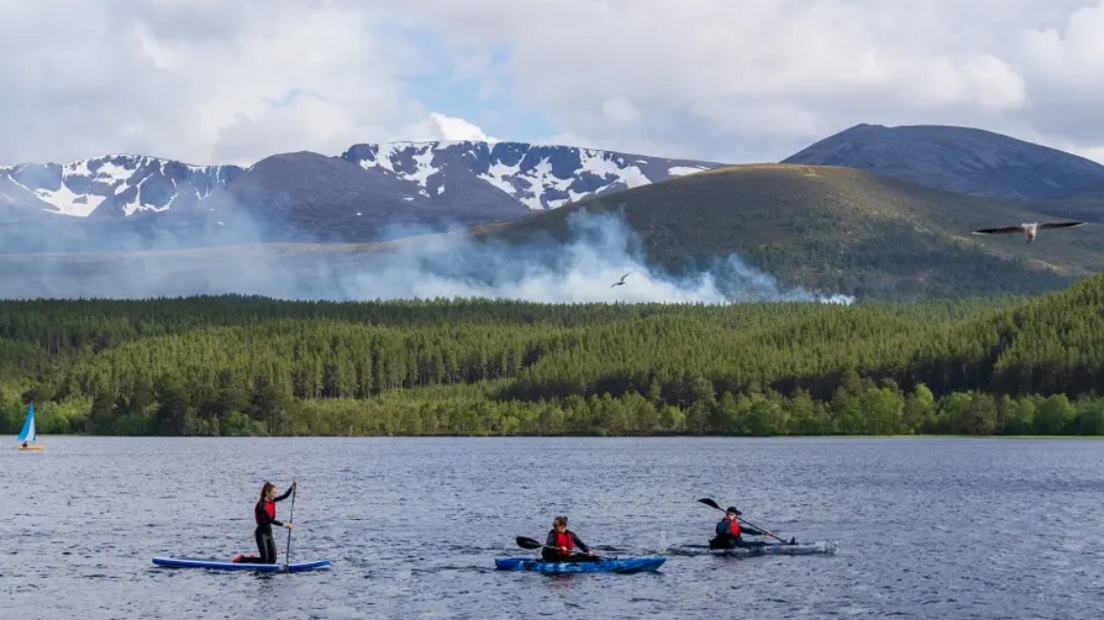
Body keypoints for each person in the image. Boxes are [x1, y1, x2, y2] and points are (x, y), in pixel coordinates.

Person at [233, 480, 295, 564]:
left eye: (275, 493)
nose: (274, 495)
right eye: (273, 492)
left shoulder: (272, 501)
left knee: (272, 560)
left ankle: (254, 560)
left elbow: (285, 496)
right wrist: (285, 525)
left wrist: (292, 487)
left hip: (269, 534)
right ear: (267, 493)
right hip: (261, 534)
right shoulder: (261, 506)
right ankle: (243, 559)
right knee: (264, 560)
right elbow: (270, 520)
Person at [709, 506, 777, 549]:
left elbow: (748, 531)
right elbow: (726, 532)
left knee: (761, 542)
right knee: (762, 543)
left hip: (729, 544)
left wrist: (762, 533)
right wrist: (730, 520)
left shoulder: (730, 524)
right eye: (735, 515)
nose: (737, 517)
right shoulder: (723, 524)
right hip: (736, 545)